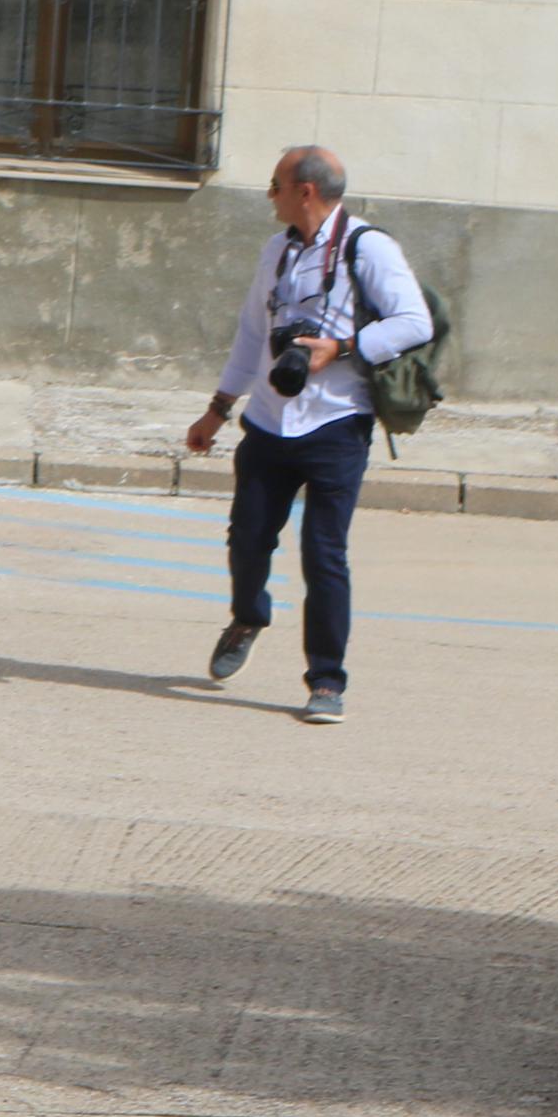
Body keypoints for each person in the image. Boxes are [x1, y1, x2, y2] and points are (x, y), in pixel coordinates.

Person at [189, 146, 431, 724]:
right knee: (247, 539)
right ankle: (247, 617)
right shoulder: (277, 249)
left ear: (306, 191)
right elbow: (252, 334)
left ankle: (326, 681)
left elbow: (413, 321)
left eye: (275, 184)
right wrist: (218, 410)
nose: (268, 193)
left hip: (336, 424)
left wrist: (340, 349)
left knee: (324, 556)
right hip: (270, 422)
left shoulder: (367, 246)